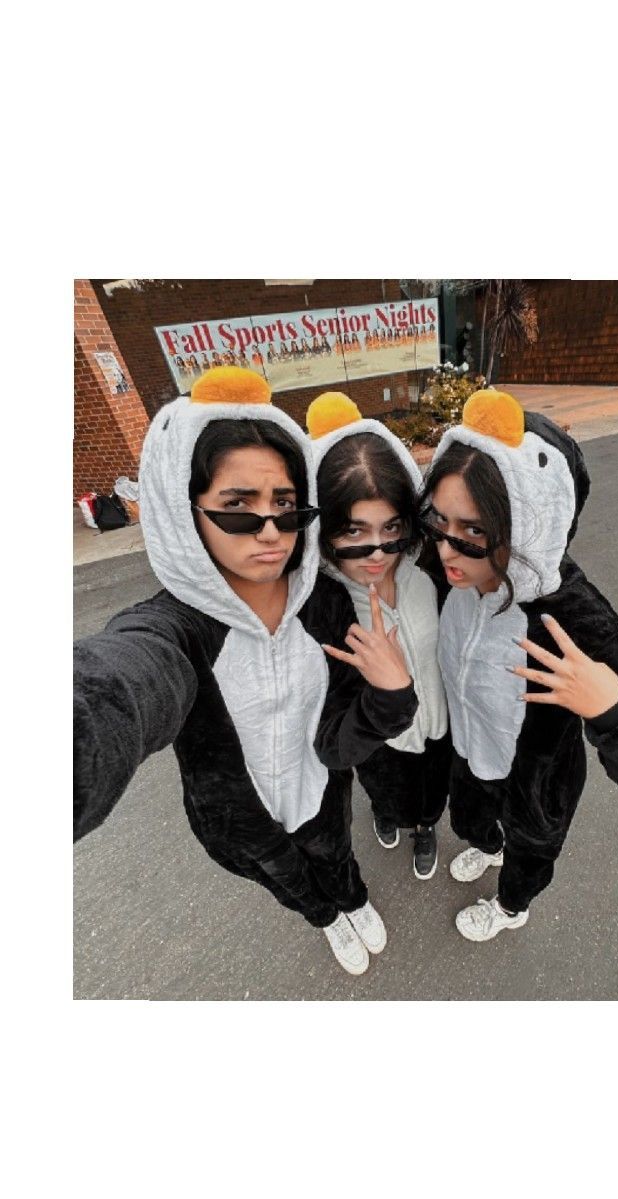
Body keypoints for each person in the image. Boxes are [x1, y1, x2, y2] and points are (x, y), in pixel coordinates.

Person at [74, 367, 418, 977]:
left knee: (335, 856)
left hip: (320, 793)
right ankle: (327, 917)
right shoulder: (176, 628)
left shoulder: (327, 605)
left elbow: (341, 741)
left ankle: (353, 900)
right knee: (290, 884)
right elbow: (119, 683)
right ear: (188, 511)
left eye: (285, 506)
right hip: (238, 821)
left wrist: (392, 699)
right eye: (238, 507)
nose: (269, 532)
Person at [420, 388, 618, 941]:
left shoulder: (573, 612)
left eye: (475, 532)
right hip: (469, 749)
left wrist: (615, 710)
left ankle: (511, 905)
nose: (449, 550)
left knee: (529, 849)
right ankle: (487, 846)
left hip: (536, 779)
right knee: (474, 820)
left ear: (527, 523)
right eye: (440, 522)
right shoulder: (444, 569)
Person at [308, 391, 450, 880]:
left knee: (431, 797)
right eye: (353, 532)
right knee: (386, 793)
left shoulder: (430, 573)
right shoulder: (323, 607)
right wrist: (384, 697)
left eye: (391, 527)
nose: (376, 551)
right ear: (324, 531)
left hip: (438, 728)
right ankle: (388, 816)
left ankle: (426, 828)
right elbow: (328, 739)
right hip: (377, 743)